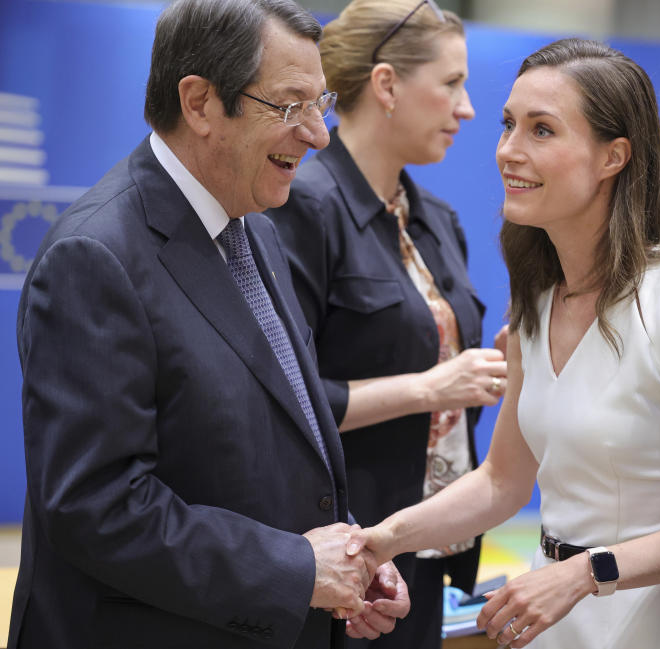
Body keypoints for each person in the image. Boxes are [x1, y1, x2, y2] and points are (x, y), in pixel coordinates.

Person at [8, 1, 409, 647]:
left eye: (321, 102)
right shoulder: (96, 255)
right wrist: (296, 568)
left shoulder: (257, 231)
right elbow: (95, 507)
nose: (319, 134)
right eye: (289, 105)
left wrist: (350, 554)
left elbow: (280, 438)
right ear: (198, 102)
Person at [348, 38, 660, 649]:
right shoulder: (536, 302)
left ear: (613, 157)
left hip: (656, 624)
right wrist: (381, 541)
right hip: (545, 621)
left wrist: (586, 571)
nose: (508, 152)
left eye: (542, 130)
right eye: (509, 125)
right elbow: (502, 481)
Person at [264, 1, 502, 647]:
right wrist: (431, 386)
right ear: (388, 85)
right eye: (452, 83)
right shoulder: (302, 208)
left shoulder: (438, 219)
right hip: (347, 553)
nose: (469, 108)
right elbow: (280, 405)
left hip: (430, 544)